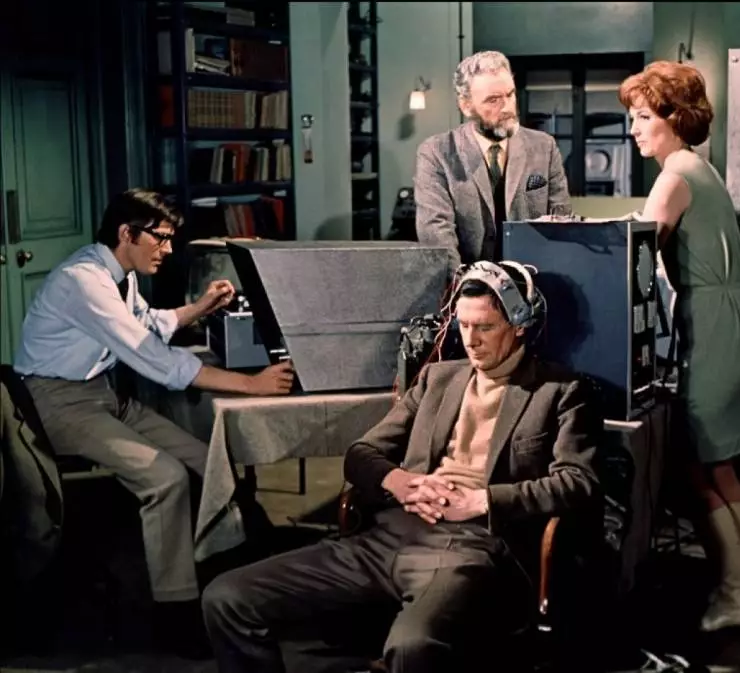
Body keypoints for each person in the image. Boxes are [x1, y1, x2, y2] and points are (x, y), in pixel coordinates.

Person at [202, 260, 603, 673]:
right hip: (389, 534)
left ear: (519, 325)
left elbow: (579, 481)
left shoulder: (560, 391)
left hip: (471, 546)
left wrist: (480, 501)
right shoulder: (437, 379)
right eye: (464, 325)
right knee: (227, 597)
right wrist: (401, 481)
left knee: (412, 647)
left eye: (484, 327)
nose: (470, 340)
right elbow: (361, 454)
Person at [13, 189, 294, 656]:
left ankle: (235, 568)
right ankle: (175, 613)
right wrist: (252, 385)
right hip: (56, 402)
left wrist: (201, 306)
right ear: (127, 233)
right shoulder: (83, 280)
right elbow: (155, 359)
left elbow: (149, 323)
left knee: (206, 460)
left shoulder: (118, 274)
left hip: (103, 394)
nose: (168, 249)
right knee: (164, 478)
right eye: (160, 238)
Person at [617, 61, 740, 632]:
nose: (633, 129)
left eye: (643, 117)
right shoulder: (697, 167)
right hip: (719, 320)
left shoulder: (674, 176)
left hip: (712, 326)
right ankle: (732, 586)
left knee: (712, 464)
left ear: (674, 118)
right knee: (707, 464)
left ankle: (735, 594)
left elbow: (634, 262)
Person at [414, 50, 572, 281]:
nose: (507, 107)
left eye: (510, 95)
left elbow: (562, 223)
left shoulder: (544, 147)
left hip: (535, 283)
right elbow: (436, 235)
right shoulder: (437, 152)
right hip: (467, 287)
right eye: (493, 100)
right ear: (466, 106)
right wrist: (468, 289)